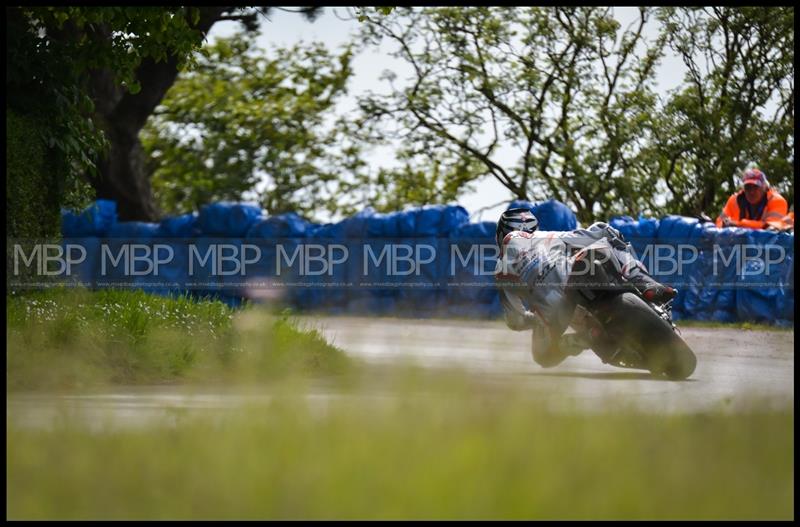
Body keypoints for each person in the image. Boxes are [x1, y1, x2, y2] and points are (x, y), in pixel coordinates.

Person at [494, 207, 676, 368]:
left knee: (542, 357)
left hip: (558, 316)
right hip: (578, 277)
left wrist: (535, 319)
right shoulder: (545, 236)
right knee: (604, 231)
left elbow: (515, 320)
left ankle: (583, 339)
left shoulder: (501, 271)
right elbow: (592, 235)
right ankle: (644, 283)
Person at [715, 167, 789, 230]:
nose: (751, 192)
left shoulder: (777, 201)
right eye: (748, 187)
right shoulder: (734, 200)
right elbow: (719, 223)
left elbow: (771, 227)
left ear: (764, 187)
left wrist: (738, 224)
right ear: (743, 188)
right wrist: (724, 225)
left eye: (755, 187)